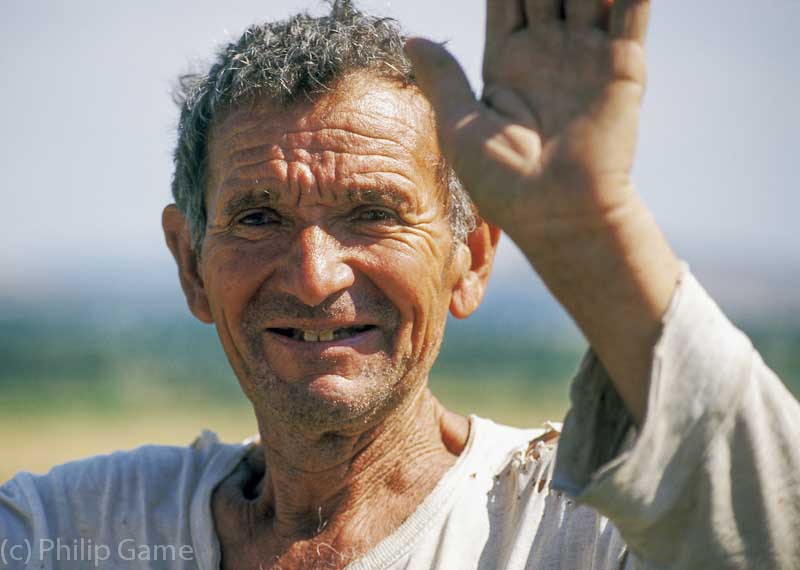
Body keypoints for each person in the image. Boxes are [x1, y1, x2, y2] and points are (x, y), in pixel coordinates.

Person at [2, 1, 798, 568]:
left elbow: (775, 531)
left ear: (472, 258)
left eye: (373, 214)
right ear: (190, 264)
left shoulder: (574, 532)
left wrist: (592, 231)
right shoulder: (79, 530)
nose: (315, 277)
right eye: (257, 218)